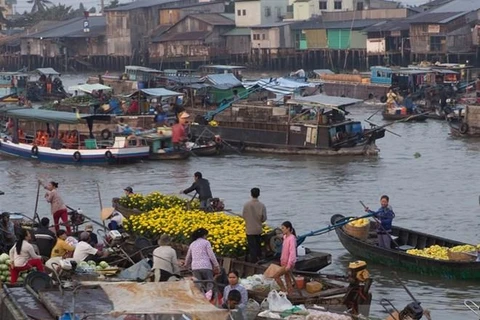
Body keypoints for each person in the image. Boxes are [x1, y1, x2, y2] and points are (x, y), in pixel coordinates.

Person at [185, 228, 220, 294]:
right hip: (206, 266)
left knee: (199, 285)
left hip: (195, 267)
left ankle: (201, 297)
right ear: (204, 235)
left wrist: (186, 264)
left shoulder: (192, 244)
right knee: (210, 283)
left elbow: (188, 256)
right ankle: (209, 297)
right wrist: (216, 265)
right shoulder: (206, 242)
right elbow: (211, 255)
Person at [242, 188, 267, 263]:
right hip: (258, 229)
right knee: (258, 245)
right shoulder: (262, 205)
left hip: (249, 229)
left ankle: (253, 261)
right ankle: (260, 258)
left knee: (252, 246)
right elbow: (264, 218)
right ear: (259, 194)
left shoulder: (246, 205)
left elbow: (244, 216)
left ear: (251, 194)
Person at [273, 221, 297, 294]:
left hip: (288, 263)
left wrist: (289, 265)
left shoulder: (292, 238)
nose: (282, 230)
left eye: (283, 228)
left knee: (276, 276)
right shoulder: (285, 237)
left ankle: (284, 290)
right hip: (284, 262)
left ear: (288, 229)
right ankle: (290, 292)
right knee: (287, 278)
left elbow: (292, 253)